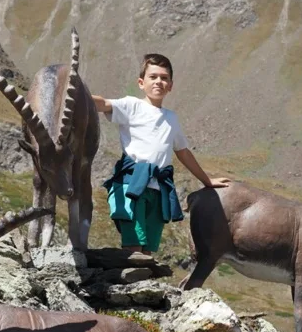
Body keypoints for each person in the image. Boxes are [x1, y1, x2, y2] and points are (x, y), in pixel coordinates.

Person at [93, 53, 230, 255]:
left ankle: (143, 285)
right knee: (134, 245)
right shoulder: (131, 105)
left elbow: (183, 152)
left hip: (158, 190)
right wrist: (75, 93)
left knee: (148, 249)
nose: (159, 81)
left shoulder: (171, 118)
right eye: (153, 76)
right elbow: (103, 104)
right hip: (132, 185)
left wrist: (207, 180)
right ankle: (130, 283)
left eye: (164, 78)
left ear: (171, 85)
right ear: (141, 82)